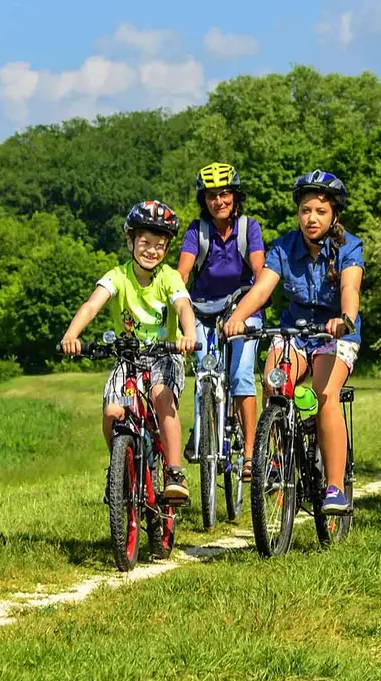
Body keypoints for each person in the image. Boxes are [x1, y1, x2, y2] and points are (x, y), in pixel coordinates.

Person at [223, 171, 363, 515]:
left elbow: (350, 289)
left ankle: (333, 487)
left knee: (323, 397)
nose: (311, 218)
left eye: (319, 211)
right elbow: (261, 289)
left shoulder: (349, 247)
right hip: (295, 332)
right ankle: (276, 459)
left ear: (334, 215)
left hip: (335, 334)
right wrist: (237, 317)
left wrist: (344, 319)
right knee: (274, 381)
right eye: (305, 210)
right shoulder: (285, 246)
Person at [61, 201, 199, 505]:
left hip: (166, 354)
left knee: (162, 397)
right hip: (128, 356)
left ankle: (175, 472)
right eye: (145, 243)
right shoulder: (117, 276)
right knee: (112, 411)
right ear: (130, 241)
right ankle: (120, 471)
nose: (151, 251)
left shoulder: (169, 277)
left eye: (159, 245)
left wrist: (189, 335)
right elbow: (92, 305)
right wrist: (72, 335)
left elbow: (183, 307)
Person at [175, 162, 266, 480]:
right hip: (201, 311)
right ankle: (203, 429)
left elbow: (259, 269)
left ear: (235, 195)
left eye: (224, 193)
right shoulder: (196, 231)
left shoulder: (248, 228)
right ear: (204, 200)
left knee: (241, 376)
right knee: (204, 373)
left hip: (242, 311)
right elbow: (183, 273)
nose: (218, 201)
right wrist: (176, 303)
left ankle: (252, 455)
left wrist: (249, 307)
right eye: (211, 195)